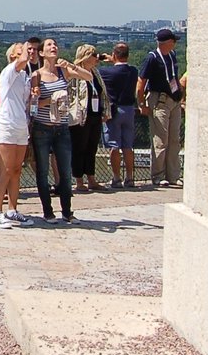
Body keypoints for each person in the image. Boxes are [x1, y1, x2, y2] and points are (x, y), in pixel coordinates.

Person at [30, 37, 93, 223]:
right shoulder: (37, 75)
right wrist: (50, 100)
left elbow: (88, 76)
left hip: (62, 127)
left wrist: (72, 65)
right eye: (49, 45)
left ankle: (67, 211)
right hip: (43, 128)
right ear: (42, 53)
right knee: (43, 171)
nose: (53, 47)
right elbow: (33, 105)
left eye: (55, 44)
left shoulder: (63, 71)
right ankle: (48, 211)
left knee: (65, 171)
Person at [135, 28, 184, 187]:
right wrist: (141, 104)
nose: (175, 43)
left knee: (174, 139)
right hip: (159, 100)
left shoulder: (172, 55)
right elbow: (140, 83)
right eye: (174, 41)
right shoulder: (152, 58)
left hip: (174, 99)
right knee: (160, 140)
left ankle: (173, 175)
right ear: (168, 42)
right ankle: (158, 175)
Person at [0, 43, 32, 226]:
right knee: (6, 170)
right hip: (7, 124)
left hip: (21, 125)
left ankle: (12, 209)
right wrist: (26, 46)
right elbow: (23, 59)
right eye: (22, 50)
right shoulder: (9, 71)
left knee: (16, 170)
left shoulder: (25, 76)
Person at [98, 42, 141, 188]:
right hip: (130, 110)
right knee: (128, 146)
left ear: (114, 54)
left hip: (114, 110)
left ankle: (116, 178)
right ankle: (130, 178)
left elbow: (95, 71)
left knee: (114, 146)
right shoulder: (134, 71)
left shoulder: (106, 72)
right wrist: (114, 59)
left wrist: (104, 58)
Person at [69, 44, 109, 193]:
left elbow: (102, 93)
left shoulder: (95, 73)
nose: (96, 58)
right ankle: (79, 180)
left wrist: (105, 110)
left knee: (92, 147)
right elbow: (71, 93)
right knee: (79, 147)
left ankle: (91, 178)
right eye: (94, 55)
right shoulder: (74, 72)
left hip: (95, 114)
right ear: (85, 56)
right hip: (80, 116)